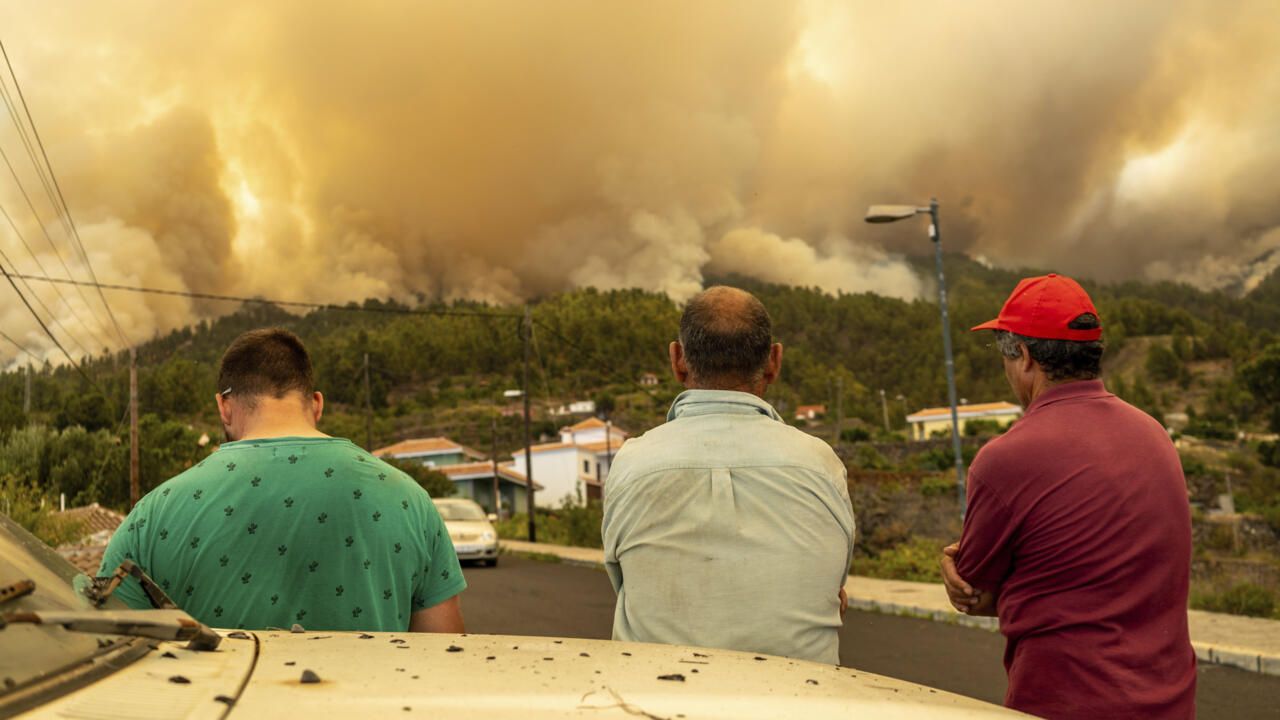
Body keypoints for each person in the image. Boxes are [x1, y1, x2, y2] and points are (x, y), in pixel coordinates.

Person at [941, 274, 1195, 718]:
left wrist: (952, 568)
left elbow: (974, 592)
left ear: (1022, 356)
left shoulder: (1005, 458)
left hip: (1066, 703)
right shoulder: (1154, 434)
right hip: (1171, 704)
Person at [100, 328, 466, 633]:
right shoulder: (409, 500)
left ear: (224, 407)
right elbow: (445, 660)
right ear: (317, 405)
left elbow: (104, 646)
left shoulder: (154, 513)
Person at [602, 286, 855, 664]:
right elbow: (833, 591)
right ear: (774, 361)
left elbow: (627, 582)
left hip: (655, 701)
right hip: (801, 702)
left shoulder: (633, 462)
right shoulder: (820, 463)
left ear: (677, 360)